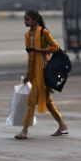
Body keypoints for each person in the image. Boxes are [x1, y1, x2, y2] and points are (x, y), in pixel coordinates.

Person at [15, 9, 68, 139]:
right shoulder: (27, 36)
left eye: (27, 19)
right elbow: (30, 57)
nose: (25, 21)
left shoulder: (43, 33)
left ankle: (24, 130)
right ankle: (62, 124)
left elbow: (55, 47)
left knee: (32, 100)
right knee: (47, 101)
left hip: (43, 73)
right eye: (24, 19)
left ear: (35, 20)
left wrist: (40, 50)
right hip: (34, 74)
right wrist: (28, 75)